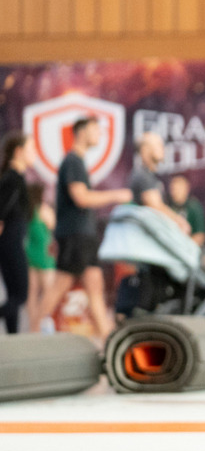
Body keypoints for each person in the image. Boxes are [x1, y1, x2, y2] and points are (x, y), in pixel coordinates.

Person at [32, 116, 132, 337]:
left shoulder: (77, 162)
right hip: (75, 235)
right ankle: (31, 332)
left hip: (82, 235)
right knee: (60, 286)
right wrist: (117, 195)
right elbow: (81, 197)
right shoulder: (73, 161)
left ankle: (108, 341)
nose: (99, 135)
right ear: (81, 132)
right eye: (95, 129)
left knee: (94, 288)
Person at [0, 132, 36, 334]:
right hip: (10, 242)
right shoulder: (12, 179)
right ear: (19, 151)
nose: (34, 155)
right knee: (20, 295)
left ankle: (13, 339)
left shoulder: (16, 178)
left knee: (14, 293)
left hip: (12, 241)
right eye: (31, 149)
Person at [129, 132, 190, 234]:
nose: (163, 149)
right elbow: (155, 205)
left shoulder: (152, 176)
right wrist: (178, 221)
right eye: (158, 145)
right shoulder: (142, 175)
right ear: (145, 150)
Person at [24, 182, 56, 332]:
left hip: (31, 253)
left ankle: (33, 326)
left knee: (32, 293)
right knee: (49, 291)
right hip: (45, 255)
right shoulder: (43, 210)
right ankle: (40, 322)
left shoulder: (29, 211)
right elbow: (52, 225)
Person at [167, 175, 205, 246]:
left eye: (178, 188)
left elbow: (200, 235)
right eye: (173, 189)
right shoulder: (167, 208)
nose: (175, 192)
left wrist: (185, 247)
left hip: (190, 249)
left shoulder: (193, 206)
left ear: (186, 189)